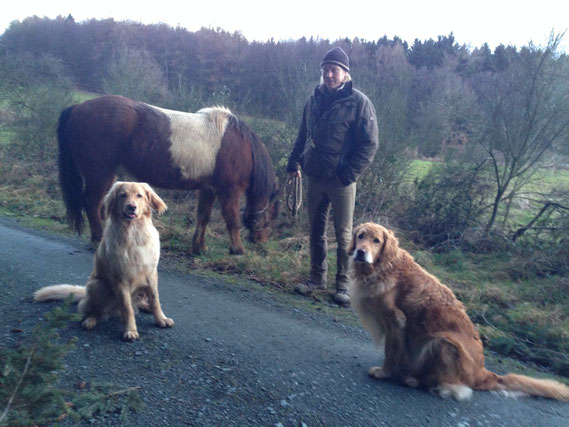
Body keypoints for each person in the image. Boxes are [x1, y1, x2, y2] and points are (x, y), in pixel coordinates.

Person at [287, 46, 379, 306]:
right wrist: (294, 161)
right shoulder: (313, 99)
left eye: (334, 70)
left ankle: (343, 285)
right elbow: (303, 134)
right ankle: (316, 278)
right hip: (315, 176)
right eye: (326, 70)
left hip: (341, 182)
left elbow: (370, 144)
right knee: (315, 231)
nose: (329, 75)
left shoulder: (359, 102)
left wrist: (348, 174)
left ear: (345, 74)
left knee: (344, 235)